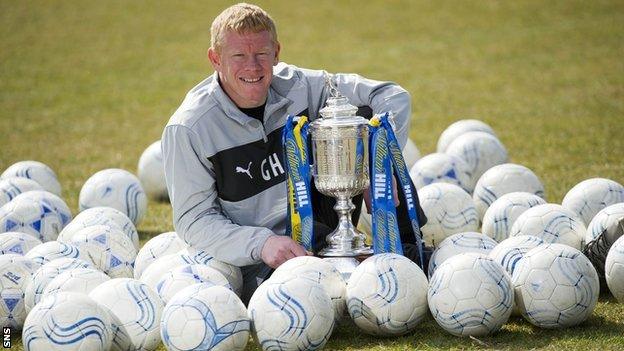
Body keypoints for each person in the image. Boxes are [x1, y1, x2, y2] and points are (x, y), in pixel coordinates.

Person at [162, 2, 426, 303]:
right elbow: (193, 221)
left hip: (318, 223)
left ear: (276, 52)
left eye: (262, 53)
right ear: (215, 59)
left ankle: (409, 258)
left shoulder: (301, 87)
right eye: (238, 55)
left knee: (368, 120)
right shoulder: (189, 128)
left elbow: (392, 96)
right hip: (256, 258)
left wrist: (376, 168)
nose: (252, 66)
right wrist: (262, 243)